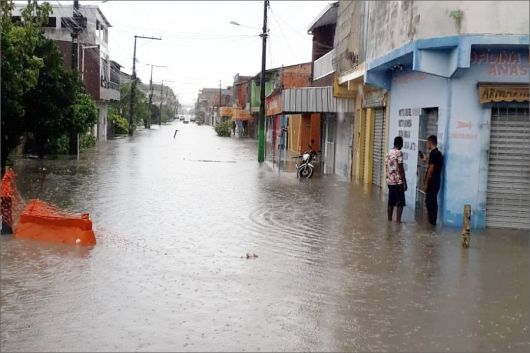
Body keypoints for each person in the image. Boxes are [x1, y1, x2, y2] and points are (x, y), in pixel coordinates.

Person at [422, 135, 444, 225]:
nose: (427, 144)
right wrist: (426, 161)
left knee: (430, 202)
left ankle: (431, 223)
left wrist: (426, 184)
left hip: (432, 182)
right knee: (432, 201)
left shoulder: (433, 153)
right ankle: (432, 224)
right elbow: (434, 166)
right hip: (437, 181)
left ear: (430, 142)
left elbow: (431, 170)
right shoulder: (438, 154)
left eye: (427, 142)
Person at [386, 136, 408, 224]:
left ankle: (389, 221)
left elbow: (386, 167)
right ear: (400, 144)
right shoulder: (399, 153)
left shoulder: (388, 153)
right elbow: (401, 168)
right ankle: (398, 221)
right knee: (400, 202)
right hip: (398, 181)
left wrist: (388, 178)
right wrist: (405, 182)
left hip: (390, 182)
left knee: (391, 202)